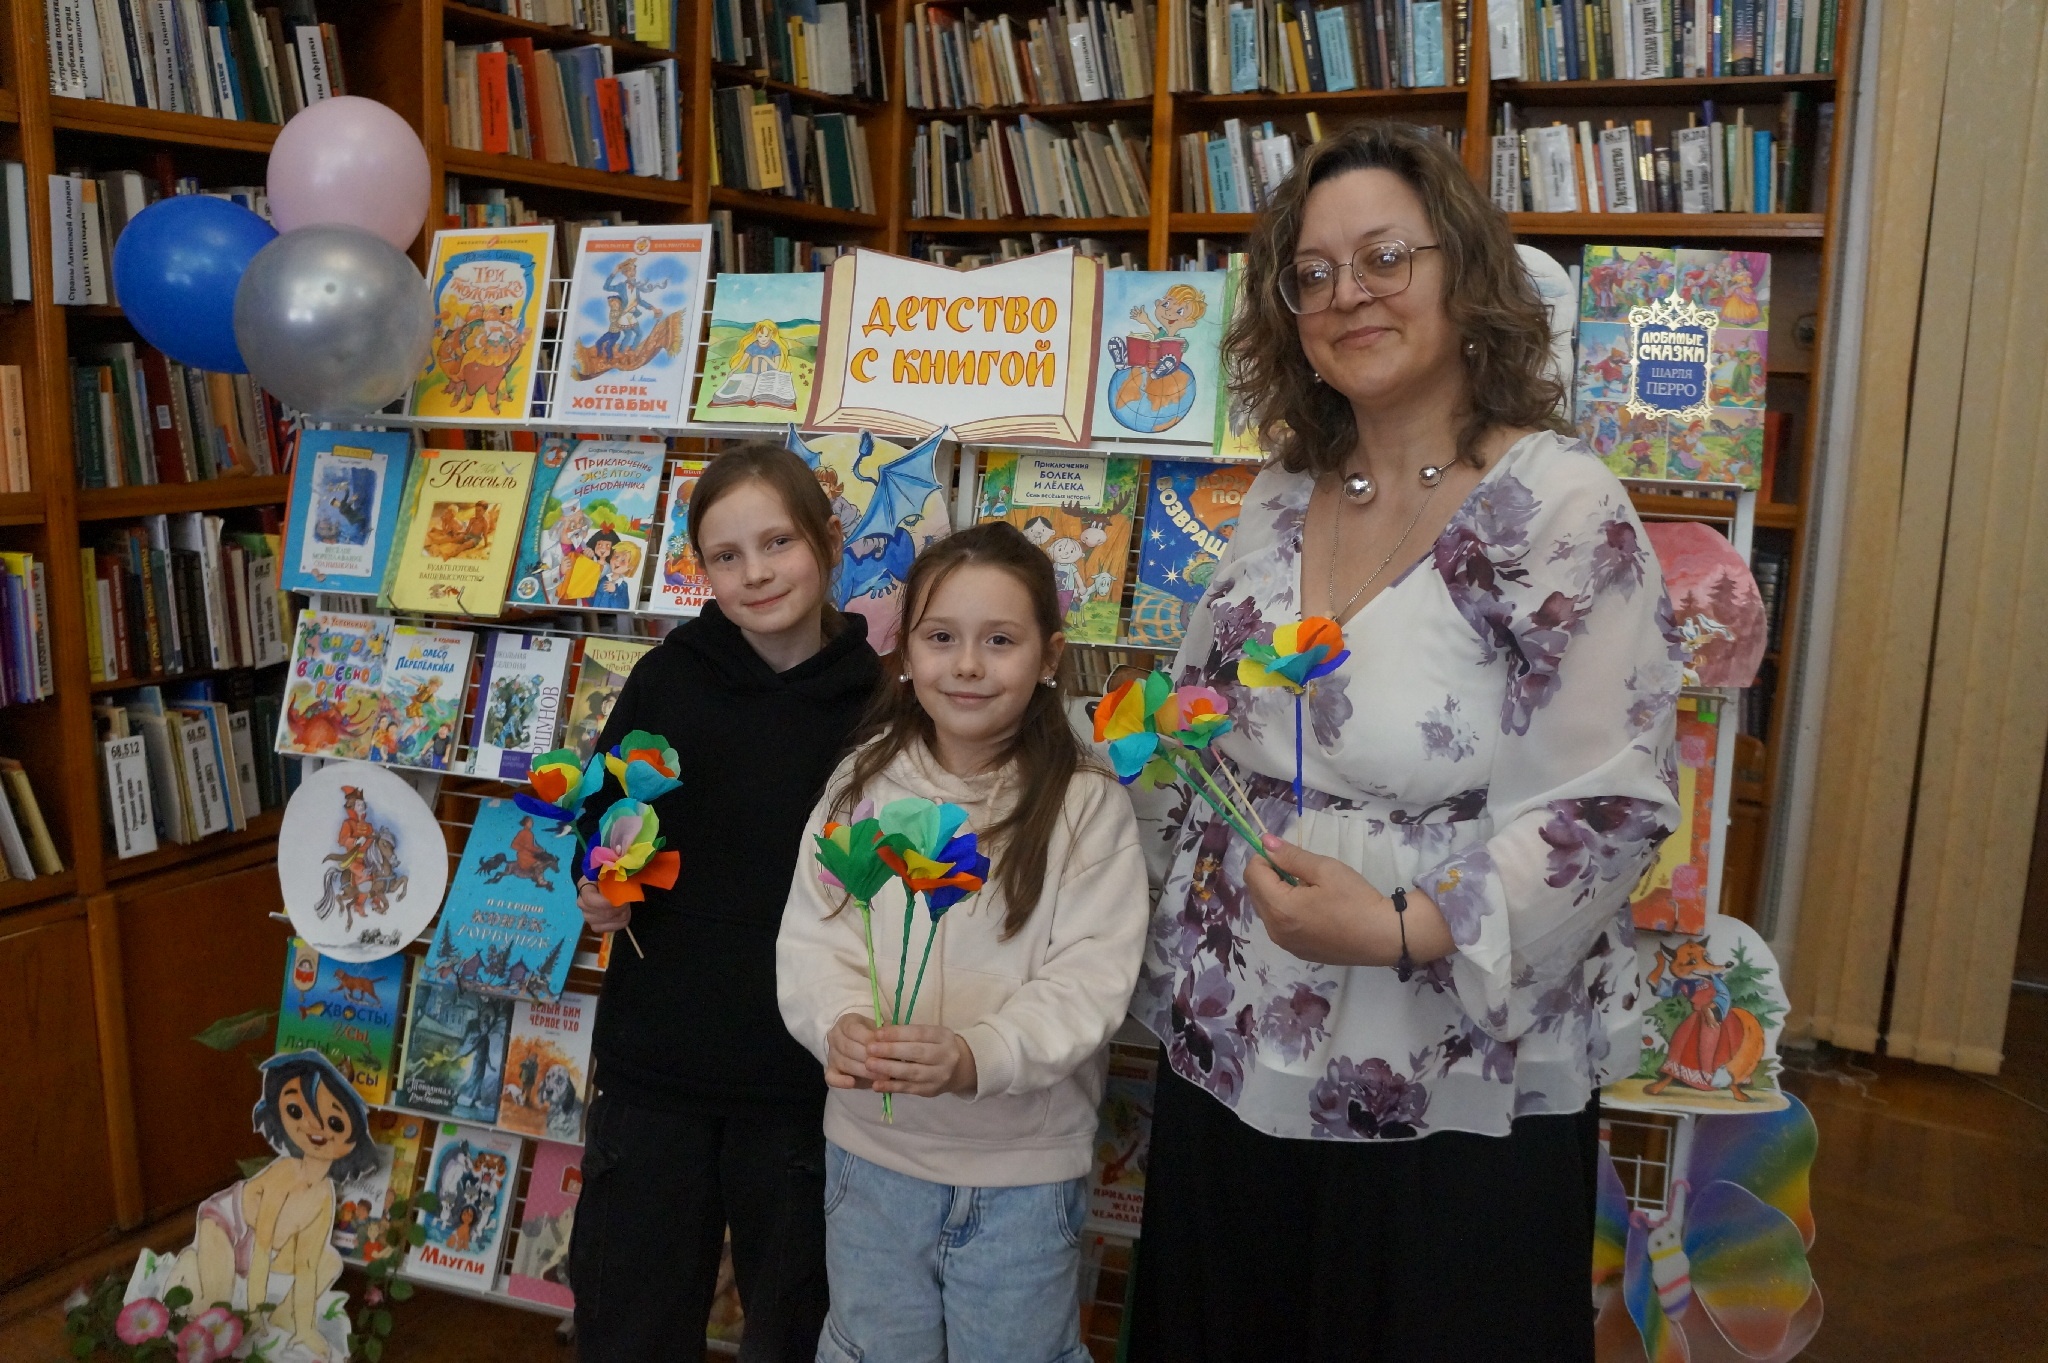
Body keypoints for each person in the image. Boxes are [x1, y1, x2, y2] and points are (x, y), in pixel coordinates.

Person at [1123, 122, 1684, 1361]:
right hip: (1240, 1033)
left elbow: (1610, 806)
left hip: (1439, 1065)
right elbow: (1205, 719)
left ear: (1463, 274)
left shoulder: (1556, 504)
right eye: (1312, 274)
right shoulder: (1280, 492)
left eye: (1383, 256)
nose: (1347, 294)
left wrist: (1399, 926)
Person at [778, 522, 1149, 1363]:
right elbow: (814, 941)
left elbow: (1090, 980)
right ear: (905, 654)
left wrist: (978, 1055)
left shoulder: (1085, 804)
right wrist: (837, 1022)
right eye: (941, 637)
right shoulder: (861, 787)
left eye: (1000, 640)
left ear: (1050, 656)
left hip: (1022, 1174)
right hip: (871, 1162)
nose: (969, 665)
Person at [567, 443, 882, 1363]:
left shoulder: (879, 700)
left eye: (778, 542)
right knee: (630, 1323)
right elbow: (601, 819)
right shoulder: (668, 678)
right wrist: (598, 885)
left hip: (802, 1081)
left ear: (828, 541)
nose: (756, 573)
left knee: (794, 1328)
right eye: (726, 555)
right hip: (656, 1067)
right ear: (701, 568)